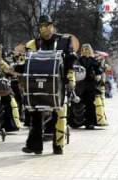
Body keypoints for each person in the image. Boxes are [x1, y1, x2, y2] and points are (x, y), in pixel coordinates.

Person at [21, 15, 77, 155]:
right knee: (35, 113)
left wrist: (71, 79)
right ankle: (35, 146)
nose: (46, 28)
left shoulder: (64, 41)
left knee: (60, 114)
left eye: (49, 25)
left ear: (53, 26)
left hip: (59, 83)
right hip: (37, 83)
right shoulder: (32, 44)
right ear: (39, 28)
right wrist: (15, 71)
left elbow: (70, 62)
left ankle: (58, 145)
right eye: (43, 26)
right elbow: (26, 65)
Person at [78, 44, 108, 129]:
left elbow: (98, 70)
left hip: (90, 85)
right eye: (84, 49)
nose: (86, 50)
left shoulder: (94, 60)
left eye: (87, 49)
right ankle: (82, 122)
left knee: (90, 105)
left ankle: (90, 122)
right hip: (81, 85)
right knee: (78, 104)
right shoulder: (79, 60)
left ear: (90, 50)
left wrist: (100, 69)